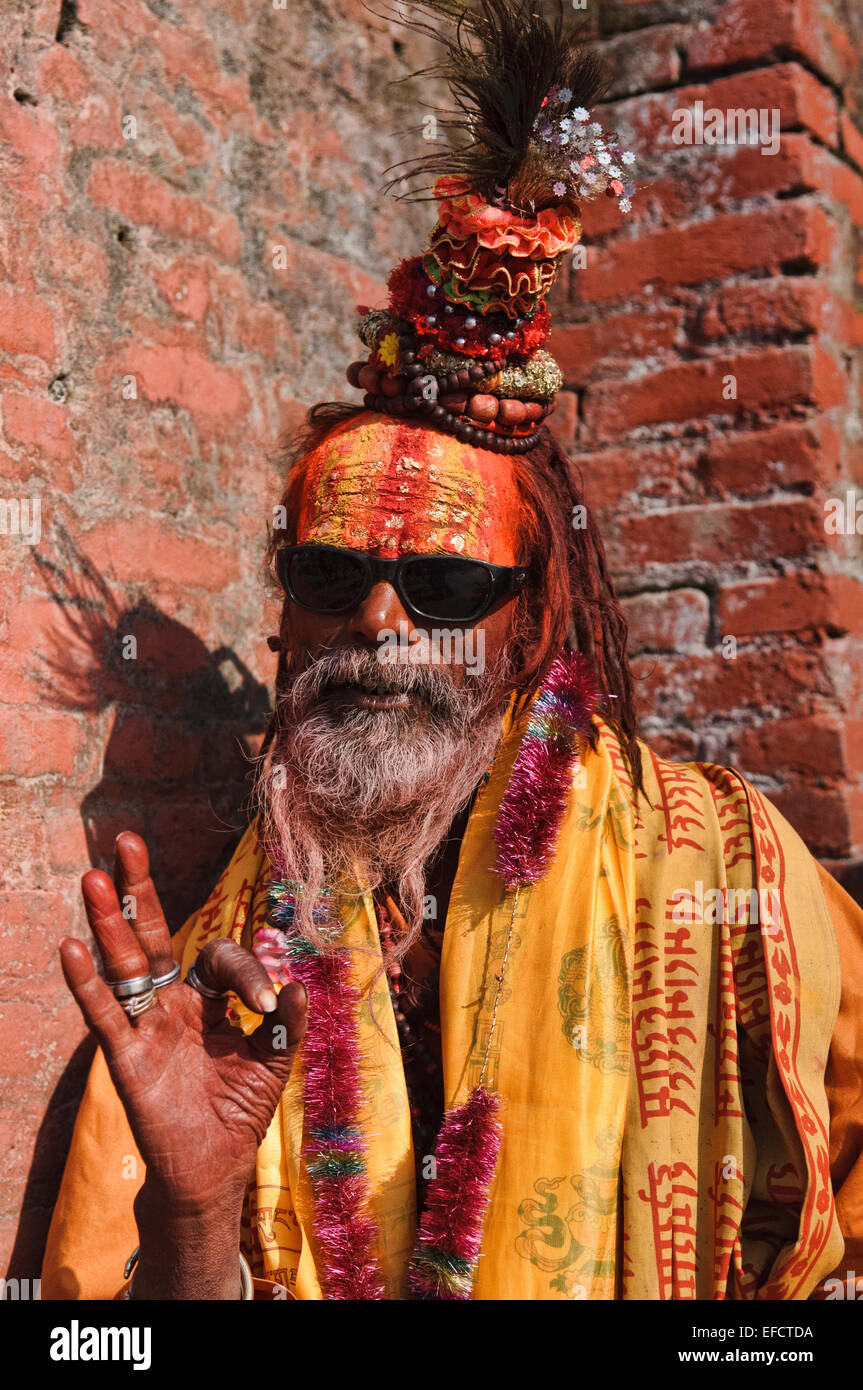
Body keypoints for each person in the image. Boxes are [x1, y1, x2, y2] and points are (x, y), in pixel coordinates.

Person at [42, 0, 863, 1301]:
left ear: (528, 617)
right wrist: (197, 1220)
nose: (377, 626)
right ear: (288, 605)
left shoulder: (727, 866)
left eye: (440, 583)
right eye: (332, 575)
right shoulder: (220, 962)